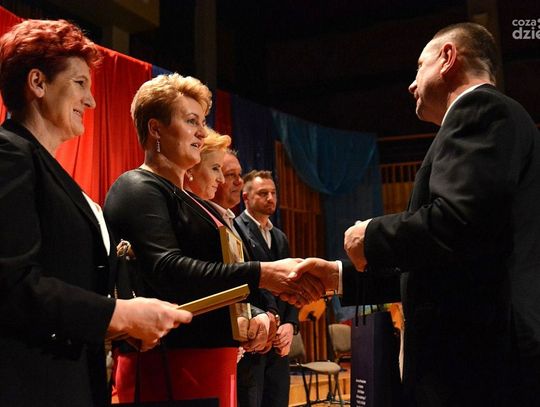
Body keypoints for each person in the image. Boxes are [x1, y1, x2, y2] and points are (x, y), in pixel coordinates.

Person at [296, 22, 540, 407]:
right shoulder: (493, 119)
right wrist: (340, 277)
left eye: (419, 67)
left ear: (447, 58)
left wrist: (370, 235)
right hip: (482, 359)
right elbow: (445, 262)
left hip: (478, 365)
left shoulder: (480, 109)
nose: (411, 85)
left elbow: (456, 224)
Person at [0, 19, 192, 407]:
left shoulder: (46, 169)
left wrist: (117, 326)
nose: (91, 101)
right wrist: (118, 314)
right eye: (79, 83)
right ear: (37, 83)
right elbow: (12, 285)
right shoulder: (10, 154)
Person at [103, 73, 321, 405]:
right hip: (169, 364)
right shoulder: (137, 187)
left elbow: (218, 277)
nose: (202, 132)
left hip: (211, 360)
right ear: (155, 129)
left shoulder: (192, 202)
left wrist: (259, 314)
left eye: (202, 122)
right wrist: (262, 273)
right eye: (191, 121)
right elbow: (168, 270)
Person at [236, 170, 299, 407]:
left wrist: (290, 324)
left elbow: (292, 285)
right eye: (263, 193)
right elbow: (244, 284)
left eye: (273, 193)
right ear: (246, 197)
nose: (271, 198)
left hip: (279, 342)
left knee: (278, 401)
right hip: (255, 338)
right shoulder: (236, 229)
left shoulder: (280, 237)